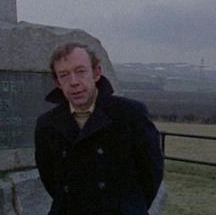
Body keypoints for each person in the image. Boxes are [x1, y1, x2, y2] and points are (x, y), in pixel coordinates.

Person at [35, 42, 164, 215]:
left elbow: (151, 172)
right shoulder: (47, 124)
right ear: (58, 82)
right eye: (64, 75)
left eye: (80, 71)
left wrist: (131, 208)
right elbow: (50, 179)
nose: (73, 82)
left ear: (96, 73)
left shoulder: (130, 114)